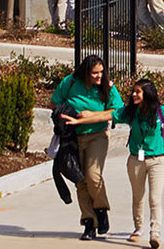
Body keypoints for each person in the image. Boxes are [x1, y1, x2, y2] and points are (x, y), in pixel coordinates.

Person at [114, 77, 164, 249]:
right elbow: (111, 114)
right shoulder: (131, 111)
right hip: (136, 159)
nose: (134, 94)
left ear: (148, 94)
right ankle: (138, 229)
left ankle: (155, 233)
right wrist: (82, 118)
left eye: (138, 92)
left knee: (155, 199)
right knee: (138, 197)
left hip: (157, 160)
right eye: (134, 91)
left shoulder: (159, 111)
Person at [52, 55, 124, 239]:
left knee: (93, 175)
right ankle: (89, 222)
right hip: (72, 137)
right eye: (95, 73)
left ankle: (101, 209)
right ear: (85, 72)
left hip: (97, 135)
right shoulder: (70, 82)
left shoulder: (107, 86)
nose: (99, 76)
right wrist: (64, 114)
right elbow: (55, 102)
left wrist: (92, 114)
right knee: (80, 180)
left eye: (101, 72)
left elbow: (117, 111)